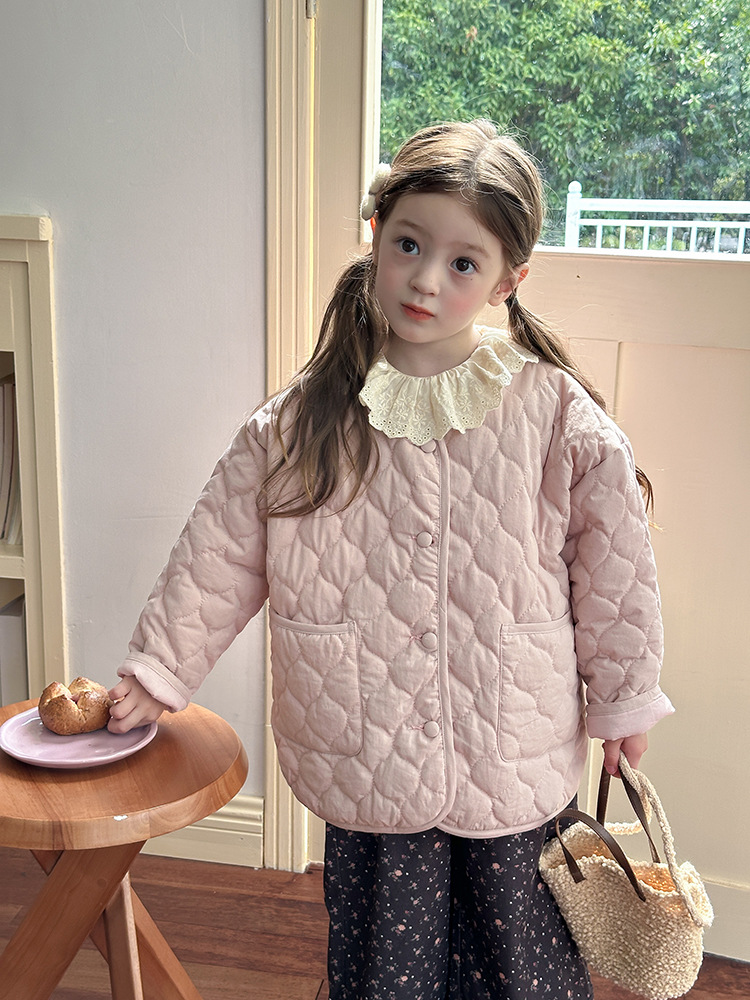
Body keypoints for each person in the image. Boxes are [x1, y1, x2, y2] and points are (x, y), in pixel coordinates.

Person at [108, 119, 674, 999]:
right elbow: (219, 550)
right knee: (385, 964)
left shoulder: (550, 409)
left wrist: (625, 694)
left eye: (463, 262)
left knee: (520, 959)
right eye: (408, 244)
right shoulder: (304, 418)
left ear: (508, 280)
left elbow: (614, 565)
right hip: (363, 732)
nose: (425, 278)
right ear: (376, 235)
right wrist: (159, 669)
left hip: (509, 733)